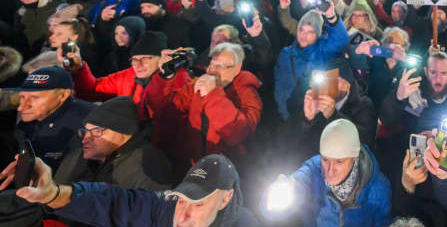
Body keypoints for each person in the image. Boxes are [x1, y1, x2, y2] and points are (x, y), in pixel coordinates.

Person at [1, 153, 259, 227]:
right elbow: (114, 201)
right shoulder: (166, 210)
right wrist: (54, 194)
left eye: (199, 204)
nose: (183, 217)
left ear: (226, 199)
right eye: (183, 201)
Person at [144, 42, 262, 170]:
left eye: (221, 66)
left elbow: (237, 133)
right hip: (191, 168)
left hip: (223, 172)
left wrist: (212, 94)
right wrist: (165, 77)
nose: (213, 71)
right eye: (211, 64)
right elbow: (164, 111)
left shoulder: (248, 94)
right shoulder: (196, 86)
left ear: (237, 68)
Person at [280, 119, 391, 226]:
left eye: (339, 161)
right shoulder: (314, 168)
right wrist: (290, 185)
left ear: (354, 158)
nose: (330, 171)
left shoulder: (378, 189)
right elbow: (301, 179)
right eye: (325, 159)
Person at [53, 96, 175, 190]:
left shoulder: (148, 166)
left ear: (126, 132)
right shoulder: (79, 156)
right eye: (85, 131)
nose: (85, 139)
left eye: (97, 131)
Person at [63, 30, 191, 116]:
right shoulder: (127, 76)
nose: (138, 65)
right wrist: (78, 69)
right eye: (134, 60)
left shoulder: (176, 78)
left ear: (161, 59)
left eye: (146, 58)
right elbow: (92, 90)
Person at [274, 2, 348, 120]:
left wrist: (331, 17)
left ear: (318, 34)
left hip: (318, 114)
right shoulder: (286, 53)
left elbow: (342, 39)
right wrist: (285, 114)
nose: (304, 35)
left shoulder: (324, 49)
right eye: (301, 30)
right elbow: (280, 85)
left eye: (310, 32)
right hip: (292, 114)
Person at [11, 66, 93, 171]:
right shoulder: (25, 126)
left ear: (63, 95)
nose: (21, 107)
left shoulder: (91, 122)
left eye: (34, 97)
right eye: (22, 97)